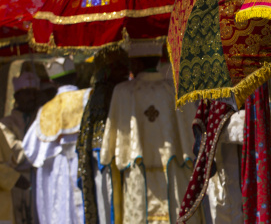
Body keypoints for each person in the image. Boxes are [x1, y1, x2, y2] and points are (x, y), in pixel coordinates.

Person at [100, 43, 203, 224]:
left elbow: (109, 147)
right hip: (174, 174)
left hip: (138, 175)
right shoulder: (177, 89)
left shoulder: (123, 92)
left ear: (136, 63)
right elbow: (193, 135)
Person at [22, 58, 91, 224]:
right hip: (87, 164)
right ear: (75, 76)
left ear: (52, 81)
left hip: (57, 172)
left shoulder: (45, 110)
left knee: (61, 211)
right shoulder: (88, 97)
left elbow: (30, 150)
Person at [76, 49, 129, 224]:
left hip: (103, 155)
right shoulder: (111, 92)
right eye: (119, 67)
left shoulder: (98, 92)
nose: (125, 72)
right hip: (107, 156)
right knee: (111, 205)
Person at [0, 71, 46, 224]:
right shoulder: (6, 123)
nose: (31, 98)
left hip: (42, 180)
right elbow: (14, 151)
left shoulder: (43, 118)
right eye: (27, 93)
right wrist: (42, 149)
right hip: (19, 183)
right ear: (17, 96)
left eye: (34, 93)